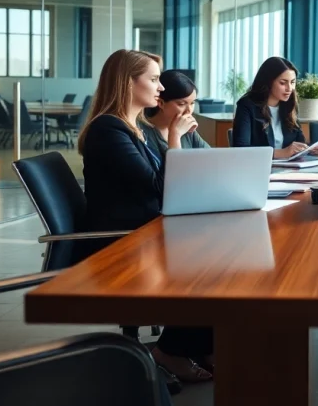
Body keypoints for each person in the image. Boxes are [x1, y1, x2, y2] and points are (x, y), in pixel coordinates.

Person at [77, 50, 213, 385]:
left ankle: (201, 346)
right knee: (214, 262)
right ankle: (170, 351)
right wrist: (175, 138)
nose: (160, 87)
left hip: (144, 230)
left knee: (222, 251)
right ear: (128, 83)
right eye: (153, 79)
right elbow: (160, 185)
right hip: (123, 242)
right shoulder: (109, 130)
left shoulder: (131, 128)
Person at [232, 57, 318, 159]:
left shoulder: (290, 104)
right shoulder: (247, 105)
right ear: (268, 82)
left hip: (288, 167)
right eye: (283, 83)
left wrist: (309, 149)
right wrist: (282, 153)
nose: (289, 88)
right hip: (258, 167)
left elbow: (299, 141)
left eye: (292, 82)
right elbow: (241, 149)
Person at [142, 69, 210, 157]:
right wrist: (175, 135)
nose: (189, 110)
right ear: (161, 103)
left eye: (192, 103)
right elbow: (173, 165)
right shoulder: (143, 134)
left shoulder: (188, 130)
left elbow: (211, 158)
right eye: (181, 104)